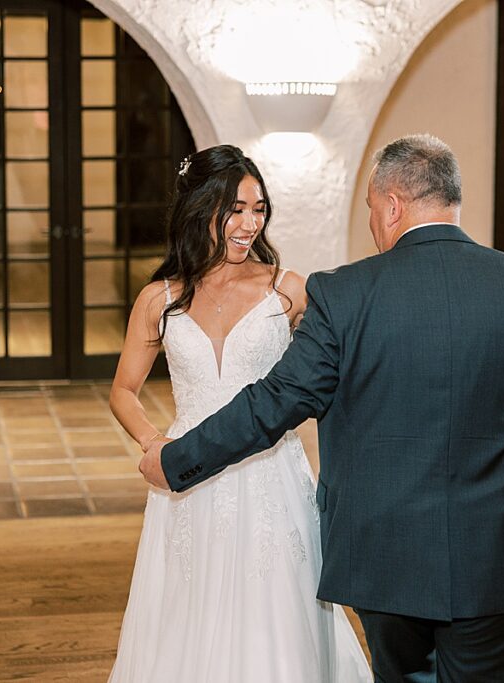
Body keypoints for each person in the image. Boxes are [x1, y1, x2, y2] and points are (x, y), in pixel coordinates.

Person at [141, 134, 504, 681]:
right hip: (499, 557)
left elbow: (274, 403)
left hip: (387, 555)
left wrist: (176, 461)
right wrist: (487, 443)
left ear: (391, 205)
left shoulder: (344, 295)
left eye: (369, 210)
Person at [107, 144, 371, 682]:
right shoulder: (160, 299)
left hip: (269, 472)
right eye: (237, 209)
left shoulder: (286, 290)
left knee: (276, 604)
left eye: (259, 209)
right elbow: (123, 390)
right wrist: (154, 443)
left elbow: (334, 374)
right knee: (187, 606)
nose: (251, 223)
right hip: (188, 474)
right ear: (200, 208)